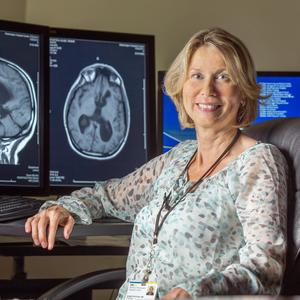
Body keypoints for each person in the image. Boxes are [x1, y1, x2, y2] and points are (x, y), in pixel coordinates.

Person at [25, 28, 288, 299]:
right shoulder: (178, 158)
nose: (207, 90)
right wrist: (64, 208)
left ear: (243, 92)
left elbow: (264, 268)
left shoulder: (257, 161)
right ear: (183, 86)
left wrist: (196, 291)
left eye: (223, 77)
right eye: (197, 76)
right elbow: (107, 196)